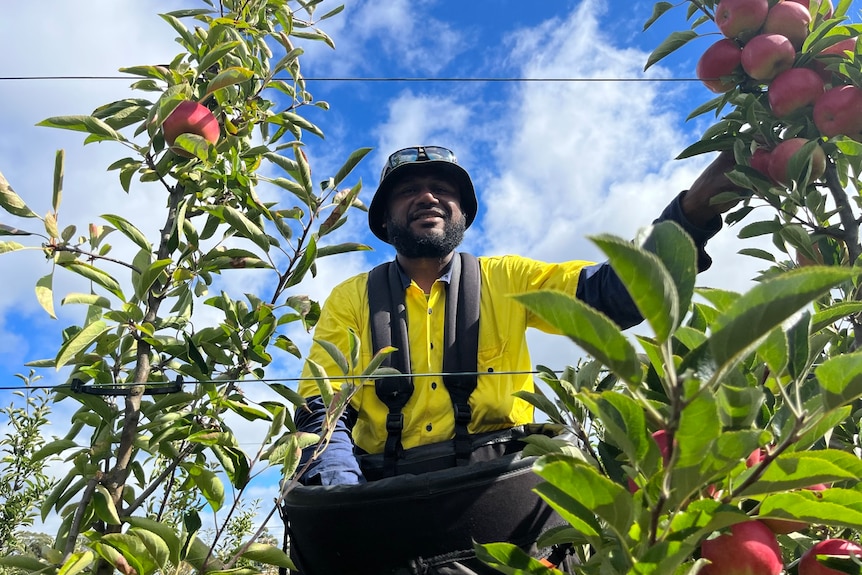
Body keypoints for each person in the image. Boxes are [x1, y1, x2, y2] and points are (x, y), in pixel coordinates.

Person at [293, 144, 741, 486]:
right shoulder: (351, 297)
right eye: (408, 191)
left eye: (443, 190)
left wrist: (693, 212)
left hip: (497, 486)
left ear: (463, 215)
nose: (427, 197)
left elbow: (612, 296)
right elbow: (322, 408)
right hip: (388, 494)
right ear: (384, 220)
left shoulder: (507, 278)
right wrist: (341, 490)